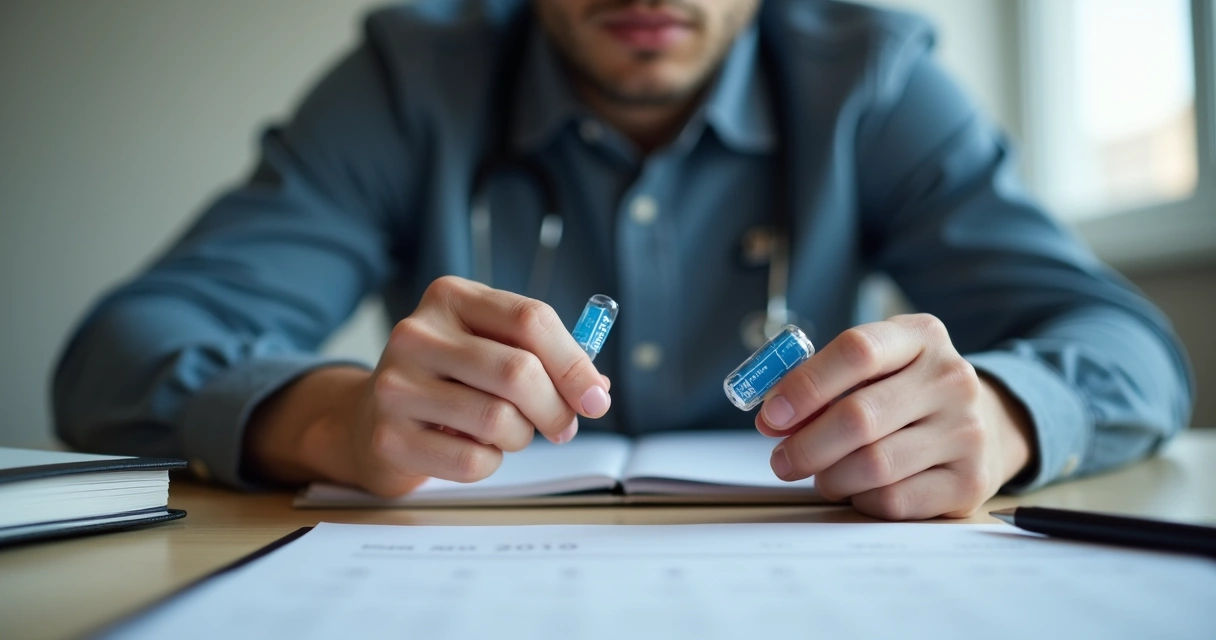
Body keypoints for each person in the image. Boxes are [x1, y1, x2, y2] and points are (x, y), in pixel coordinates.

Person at [53, 0, 1192, 521]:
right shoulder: (412, 78)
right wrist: (326, 421)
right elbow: (114, 358)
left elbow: (1127, 349)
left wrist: (1002, 414)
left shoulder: (873, 78)